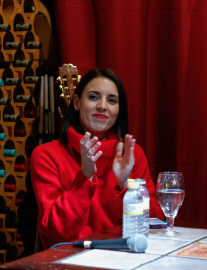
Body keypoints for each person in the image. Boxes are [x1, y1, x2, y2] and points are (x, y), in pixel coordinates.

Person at [30, 68, 163, 249]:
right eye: (93, 97)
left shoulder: (132, 154)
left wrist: (126, 185)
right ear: (76, 102)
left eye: (112, 100)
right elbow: (56, 231)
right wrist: (84, 177)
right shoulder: (46, 155)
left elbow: (156, 223)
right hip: (71, 260)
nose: (102, 106)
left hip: (124, 259)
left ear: (118, 110)